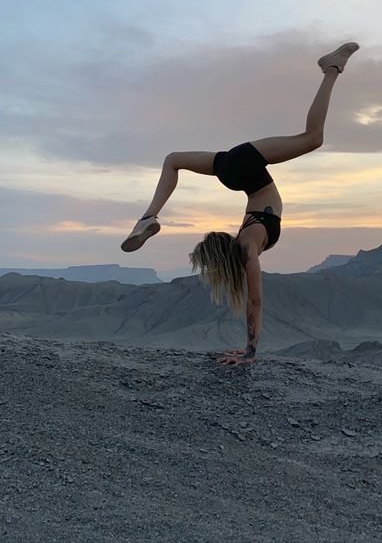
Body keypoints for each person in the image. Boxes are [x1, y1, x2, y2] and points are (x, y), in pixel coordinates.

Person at [121, 42, 359, 366]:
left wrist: (250, 352)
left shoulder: (247, 246)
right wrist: (246, 349)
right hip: (235, 173)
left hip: (244, 167)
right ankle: (147, 217)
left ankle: (333, 67)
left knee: (313, 138)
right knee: (172, 160)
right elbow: (253, 299)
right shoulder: (246, 243)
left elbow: (256, 301)